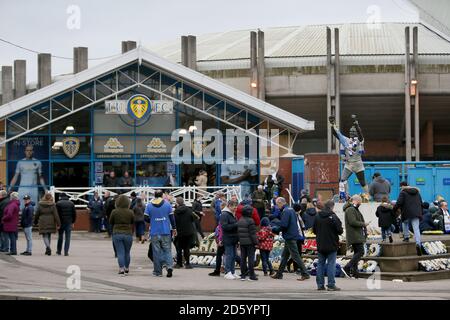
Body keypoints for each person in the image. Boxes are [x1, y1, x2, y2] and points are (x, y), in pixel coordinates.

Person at [271, 197, 310, 281]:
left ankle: (305, 273)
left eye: (277, 204)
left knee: (296, 256)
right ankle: (279, 273)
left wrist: (275, 229)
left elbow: (284, 225)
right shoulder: (291, 210)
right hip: (292, 235)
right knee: (285, 256)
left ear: (281, 203)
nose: (277, 207)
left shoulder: (286, 211)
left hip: (290, 236)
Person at [329, 115, 369, 198]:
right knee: (342, 180)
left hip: (358, 163)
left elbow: (361, 135)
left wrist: (356, 124)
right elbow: (335, 134)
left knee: (362, 182)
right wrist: (332, 124)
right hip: (349, 163)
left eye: (353, 132)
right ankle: (345, 195)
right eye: (351, 132)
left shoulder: (360, 141)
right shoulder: (346, 140)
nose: (352, 133)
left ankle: (367, 196)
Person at [144, 190, 177, 278]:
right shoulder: (167, 205)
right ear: (162, 195)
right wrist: (174, 228)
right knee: (167, 250)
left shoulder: (149, 205)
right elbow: (172, 218)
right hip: (165, 231)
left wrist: (153, 220)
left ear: (154, 195)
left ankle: (158, 272)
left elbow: (145, 218)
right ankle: (169, 267)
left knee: (156, 252)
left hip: (154, 232)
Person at [313, 200, 343, 291]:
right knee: (331, 264)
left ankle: (320, 285)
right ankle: (331, 284)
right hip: (331, 243)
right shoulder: (333, 216)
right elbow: (340, 230)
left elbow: (314, 230)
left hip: (321, 244)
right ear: (332, 207)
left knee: (320, 264)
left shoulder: (317, 216)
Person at [393, 181, 423, 255]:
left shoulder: (403, 192)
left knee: (404, 223)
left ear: (402, 186)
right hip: (416, 212)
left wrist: (394, 209)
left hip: (406, 212)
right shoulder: (417, 192)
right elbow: (421, 202)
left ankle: (406, 237)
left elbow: (399, 202)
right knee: (416, 228)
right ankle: (418, 243)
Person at [342, 195, 369, 278]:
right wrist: (363, 224)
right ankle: (347, 267)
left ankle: (355, 273)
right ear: (355, 201)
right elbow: (352, 222)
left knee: (357, 253)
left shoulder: (353, 209)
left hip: (356, 234)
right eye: (360, 202)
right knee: (361, 252)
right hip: (354, 235)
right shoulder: (350, 209)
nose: (360, 203)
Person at [109, 195, 135, 276]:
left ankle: (121, 269)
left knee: (120, 252)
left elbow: (110, 221)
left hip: (117, 233)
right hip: (128, 233)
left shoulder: (114, 211)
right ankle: (127, 268)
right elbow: (132, 221)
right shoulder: (130, 212)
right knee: (127, 252)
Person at [174, 197, 196, 269]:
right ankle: (188, 264)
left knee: (179, 248)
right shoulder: (189, 210)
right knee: (186, 248)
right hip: (188, 232)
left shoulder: (175, 211)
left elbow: (174, 222)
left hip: (179, 232)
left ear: (177, 203)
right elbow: (193, 219)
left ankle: (179, 264)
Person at [237, 205, 258, 281]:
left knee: (243, 258)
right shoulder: (251, 221)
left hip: (242, 242)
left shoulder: (240, 220)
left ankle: (243, 275)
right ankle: (252, 275)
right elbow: (253, 234)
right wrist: (256, 242)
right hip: (250, 243)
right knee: (250, 259)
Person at [220, 199, 240, 280]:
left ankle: (232, 271)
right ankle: (227, 272)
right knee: (229, 255)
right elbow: (224, 227)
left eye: (236, 206)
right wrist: (236, 225)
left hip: (233, 238)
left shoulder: (232, 214)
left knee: (234, 255)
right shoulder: (225, 214)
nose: (236, 208)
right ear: (229, 206)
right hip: (228, 238)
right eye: (234, 206)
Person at [286, 203, 307, 274]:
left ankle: (291, 265)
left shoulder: (298, 216)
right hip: (296, 237)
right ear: (299, 210)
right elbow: (299, 227)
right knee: (297, 253)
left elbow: (302, 226)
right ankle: (295, 268)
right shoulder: (295, 216)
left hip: (298, 236)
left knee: (297, 253)